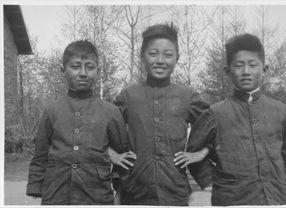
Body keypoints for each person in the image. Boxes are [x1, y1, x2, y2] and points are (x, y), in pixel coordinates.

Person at [182, 33, 286, 205]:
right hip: (232, 200)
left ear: (264, 69)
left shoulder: (281, 110)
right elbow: (194, 156)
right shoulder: (214, 113)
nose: (246, 72)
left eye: (253, 65)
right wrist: (213, 183)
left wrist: (279, 179)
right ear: (227, 71)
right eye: (239, 65)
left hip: (277, 198)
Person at [26, 40, 136, 205]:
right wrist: (36, 186)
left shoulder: (110, 112)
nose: (83, 73)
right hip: (56, 195)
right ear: (63, 70)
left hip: (97, 196)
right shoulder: (52, 111)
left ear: (98, 71)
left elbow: (123, 157)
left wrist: (119, 194)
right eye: (75, 67)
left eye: (90, 67)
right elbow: (40, 155)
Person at [112, 23, 211, 206]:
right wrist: (112, 155)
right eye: (153, 53)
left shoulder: (187, 96)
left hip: (175, 192)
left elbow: (217, 128)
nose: (160, 60)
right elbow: (101, 130)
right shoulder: (128, 95)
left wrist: (199, 153)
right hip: (134, 191)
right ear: (142, 56)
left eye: (167, 55)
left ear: (177, 58)